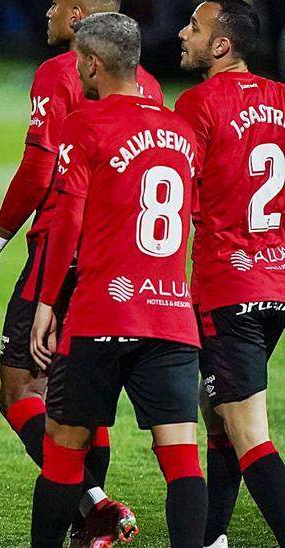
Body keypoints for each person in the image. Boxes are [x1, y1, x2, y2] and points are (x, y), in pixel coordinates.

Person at [0, 1, 162, 542]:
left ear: (77, 17)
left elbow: (41, 166)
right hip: (122, 259)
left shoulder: (59, 72)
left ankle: (95, 503)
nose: (44, 10)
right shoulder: (150, 85)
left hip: (61, 248)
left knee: (20, 387)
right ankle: (89, 527)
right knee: (87, 399)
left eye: (55, 3)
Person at [29, 12, 207, 547]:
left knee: (63, 450)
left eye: (82, 61)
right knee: (181, 459)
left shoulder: (85, 124)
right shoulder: (180, 130)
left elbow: (67, 223)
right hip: (171, 316)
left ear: (93, 63)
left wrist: (45, 303)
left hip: (102, 314)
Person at [175, 3, 285, 547]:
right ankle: (212, 539)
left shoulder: (196, 104)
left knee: (248, 434)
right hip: (275, 285)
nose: (183, 33)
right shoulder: (283, 101)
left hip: (228, 287)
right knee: (217, 409)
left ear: (221, 46)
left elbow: (176, 194)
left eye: (194, 27)